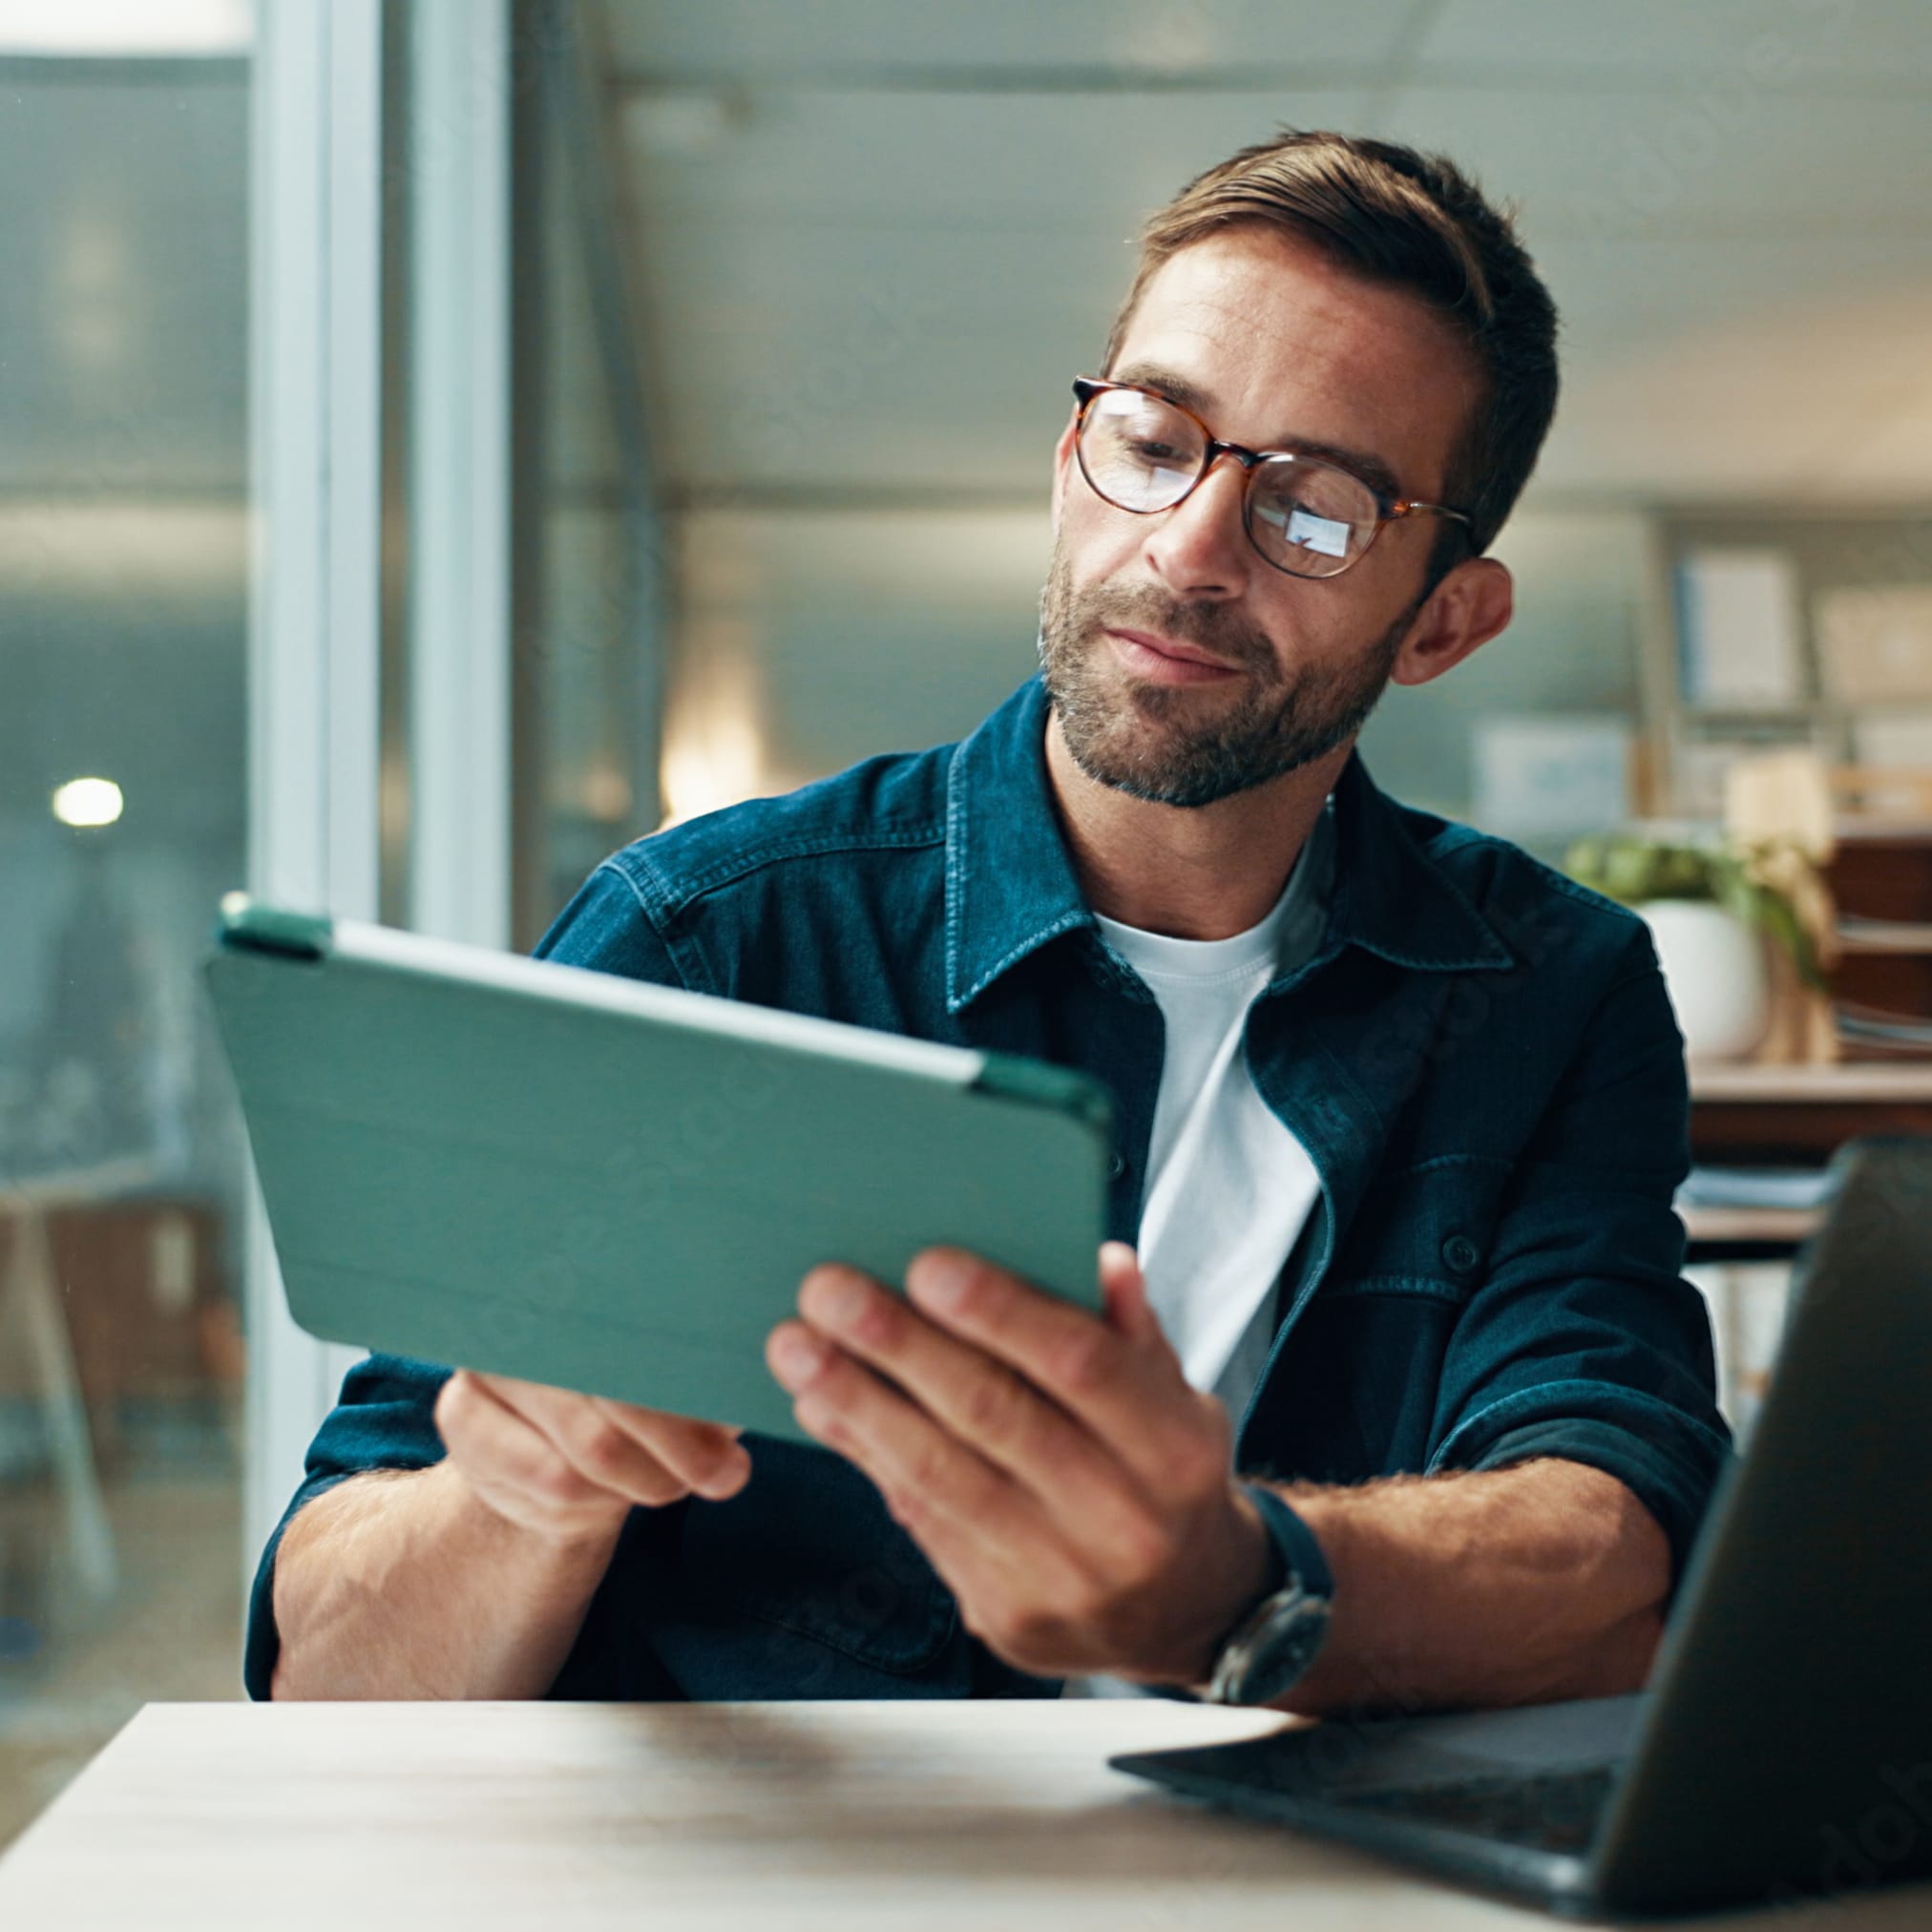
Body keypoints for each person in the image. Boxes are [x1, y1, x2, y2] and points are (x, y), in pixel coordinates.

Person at [252, 130, 1729, 1713]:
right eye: (1156, 441)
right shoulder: (709, 942)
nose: (1187, 549)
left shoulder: (1550, 989)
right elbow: (328, 1683)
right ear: (1071, 458)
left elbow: (1617, 1550)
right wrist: (516, 1498)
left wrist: (1227, 1591)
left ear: (1443, 617)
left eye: (1316, 506)